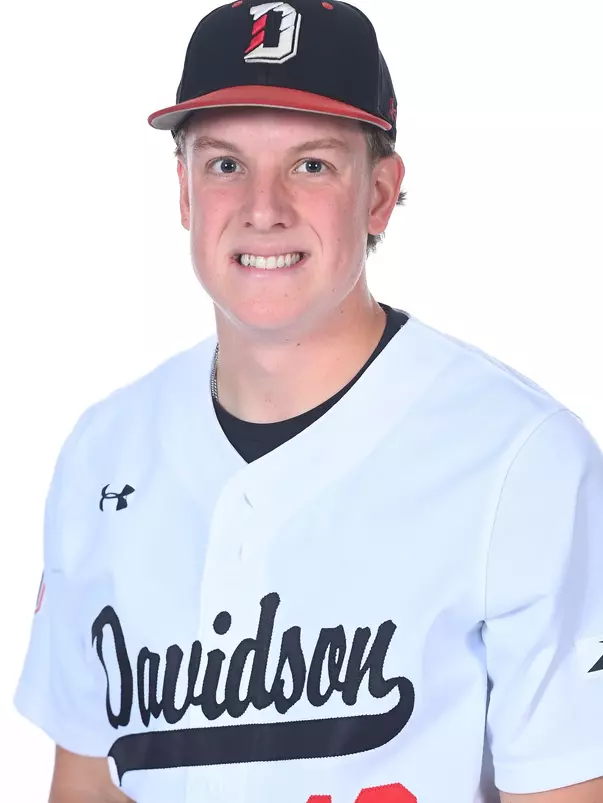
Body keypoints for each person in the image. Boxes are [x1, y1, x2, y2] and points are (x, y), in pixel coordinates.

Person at [13, 1, 603, 802]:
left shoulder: (522, 460)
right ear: (184, 191)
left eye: (311, 165)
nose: (263, 207)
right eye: (226, 164)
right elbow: (88, 782)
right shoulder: (101, 452)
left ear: (379, 194)